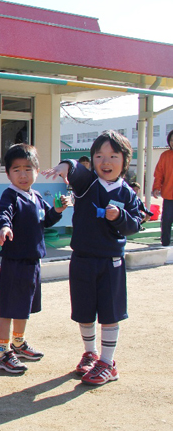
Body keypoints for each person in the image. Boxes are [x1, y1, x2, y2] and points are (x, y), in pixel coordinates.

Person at [43, 130, 141, 385]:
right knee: (84, 311)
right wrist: (64, 166)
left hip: (111, 261)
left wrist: (119, 217)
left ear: (125, 160)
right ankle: (91, 353)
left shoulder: (127, 193)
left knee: (110, 314)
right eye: (99, 156)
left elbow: (134, 225)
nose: (105, 162)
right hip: (82, 259)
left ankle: (108, 363)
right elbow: (75, 168)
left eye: (112, 156)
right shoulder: (87, 185)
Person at [0, 144, 69, 373]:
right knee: (8, 308)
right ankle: (2, 351)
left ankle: (18, 343)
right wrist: (4, 227)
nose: (23, 174)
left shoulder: (35, 196)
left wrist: (57, 210)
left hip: (33, 261)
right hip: (14, 261)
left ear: (37, 170)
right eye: (16, 169)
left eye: (28, 168)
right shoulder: (11, 195)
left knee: (24, 307)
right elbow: (2, 214)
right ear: (8, 174)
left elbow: (45, 220)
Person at [152, 130, 173, 245]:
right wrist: (156, 187)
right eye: (171, 140)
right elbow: (159, 173)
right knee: (167, 220)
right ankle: (165, 242)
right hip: (169, 195)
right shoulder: (165, 156)